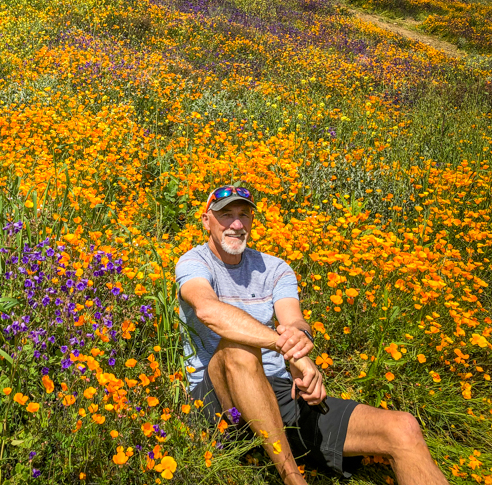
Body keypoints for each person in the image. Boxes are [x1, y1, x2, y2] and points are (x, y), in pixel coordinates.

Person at [176, 184, 449, 485]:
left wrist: (300, 343)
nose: (237, 224)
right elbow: (208, 310)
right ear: (207, 221)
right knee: (238, 347)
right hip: (217, 399)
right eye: (226, 215)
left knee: (403, 428)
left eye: (244, 215)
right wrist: (286, 349)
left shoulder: (275, 268)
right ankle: (293, 478)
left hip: (279, 393)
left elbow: (295, 321)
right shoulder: (195, 262)